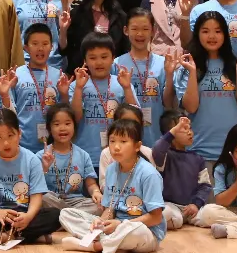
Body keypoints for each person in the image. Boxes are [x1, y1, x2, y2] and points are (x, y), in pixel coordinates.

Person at [58, 118, 166, 253]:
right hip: (114, 227)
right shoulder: (111, 170)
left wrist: (120, 225)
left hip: (145, 231)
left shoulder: (149, 174)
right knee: (66, 213)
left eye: (123, 141)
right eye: (112, 141)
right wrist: (101, 222)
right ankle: (117, 246)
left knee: (136, 232)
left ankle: (95, 246)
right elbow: (109, 209)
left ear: (137, 146)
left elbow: (156, 218)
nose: (116, 147)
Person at [175, 11, 237, 171]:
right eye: (205, 31)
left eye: (217, 31)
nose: (212, 36)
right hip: (199, 151)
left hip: (235, 153)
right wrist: (193, 72)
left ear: (225, 35)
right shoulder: (187, 67)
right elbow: (191, 107)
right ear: (197, 34)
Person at [0, 109, 60, 246]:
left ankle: (4, 236)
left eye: (10, 135)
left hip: (24, 215)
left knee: (55, 215)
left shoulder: (31, 159)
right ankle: (27, 236)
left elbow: (36, 197)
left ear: (19, 133)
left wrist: (28, 216)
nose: (6, 143)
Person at [69, 32, 137, 161]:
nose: (99, 62)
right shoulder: (77, 85)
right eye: (92, 58)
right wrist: (78, 88)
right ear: (85, 60)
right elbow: (74, 119)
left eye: (104, 57)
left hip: (117, 154)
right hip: (85, 155)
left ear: (113, 58)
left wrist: (127, 88)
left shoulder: (122, 83)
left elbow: (134, 119)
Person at [11, 23, 71, 154]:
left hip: (54, 145)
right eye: (35, 44)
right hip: (22, 145)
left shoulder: (59, 75)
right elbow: (10, 111)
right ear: (26, 48)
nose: (40, 48)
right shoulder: (16, 75)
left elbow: (66, 112)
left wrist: (64, 94)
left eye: (45, 44)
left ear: (51, 47)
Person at [115, 9, 172, 146]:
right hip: (126, 138)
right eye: (134, 29)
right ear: (126, 30)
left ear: (153, 31)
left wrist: (170, 75)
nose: (140, 34)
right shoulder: (116, 64)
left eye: (145, 29)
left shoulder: (163, 63)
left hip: (157, 135)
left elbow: (168, 103)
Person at [151, 111, 212, 230]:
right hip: (170, 206)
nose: (189, 132)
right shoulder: (165, 155)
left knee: (211, 212)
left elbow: (205, 185)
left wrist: (196, 204)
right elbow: (157, 148)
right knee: (167, 214)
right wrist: (173, 131)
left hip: (192, 208)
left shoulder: (198, 159)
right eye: (183, 129)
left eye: (190, 128)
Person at [61, 0, 128, 70]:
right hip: (83, 73)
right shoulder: (77, 12)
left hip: (112, 73)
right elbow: (64, 49)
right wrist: (63, 30)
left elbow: (125, 49)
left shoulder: (120, 15)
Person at [39, 103, 101, 212]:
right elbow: (35, 187)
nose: (62, 128)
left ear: (74, 126)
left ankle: (64, 216)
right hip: (52, 201)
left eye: (67, 123)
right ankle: (71, 216)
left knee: (98, 207)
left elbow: (91, 184)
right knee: (43, 198)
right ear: (49, 128)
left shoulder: (83, 155)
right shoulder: (41, 155)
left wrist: (96, 192)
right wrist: (44, 169)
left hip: (76, 202)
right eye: (57, 124)